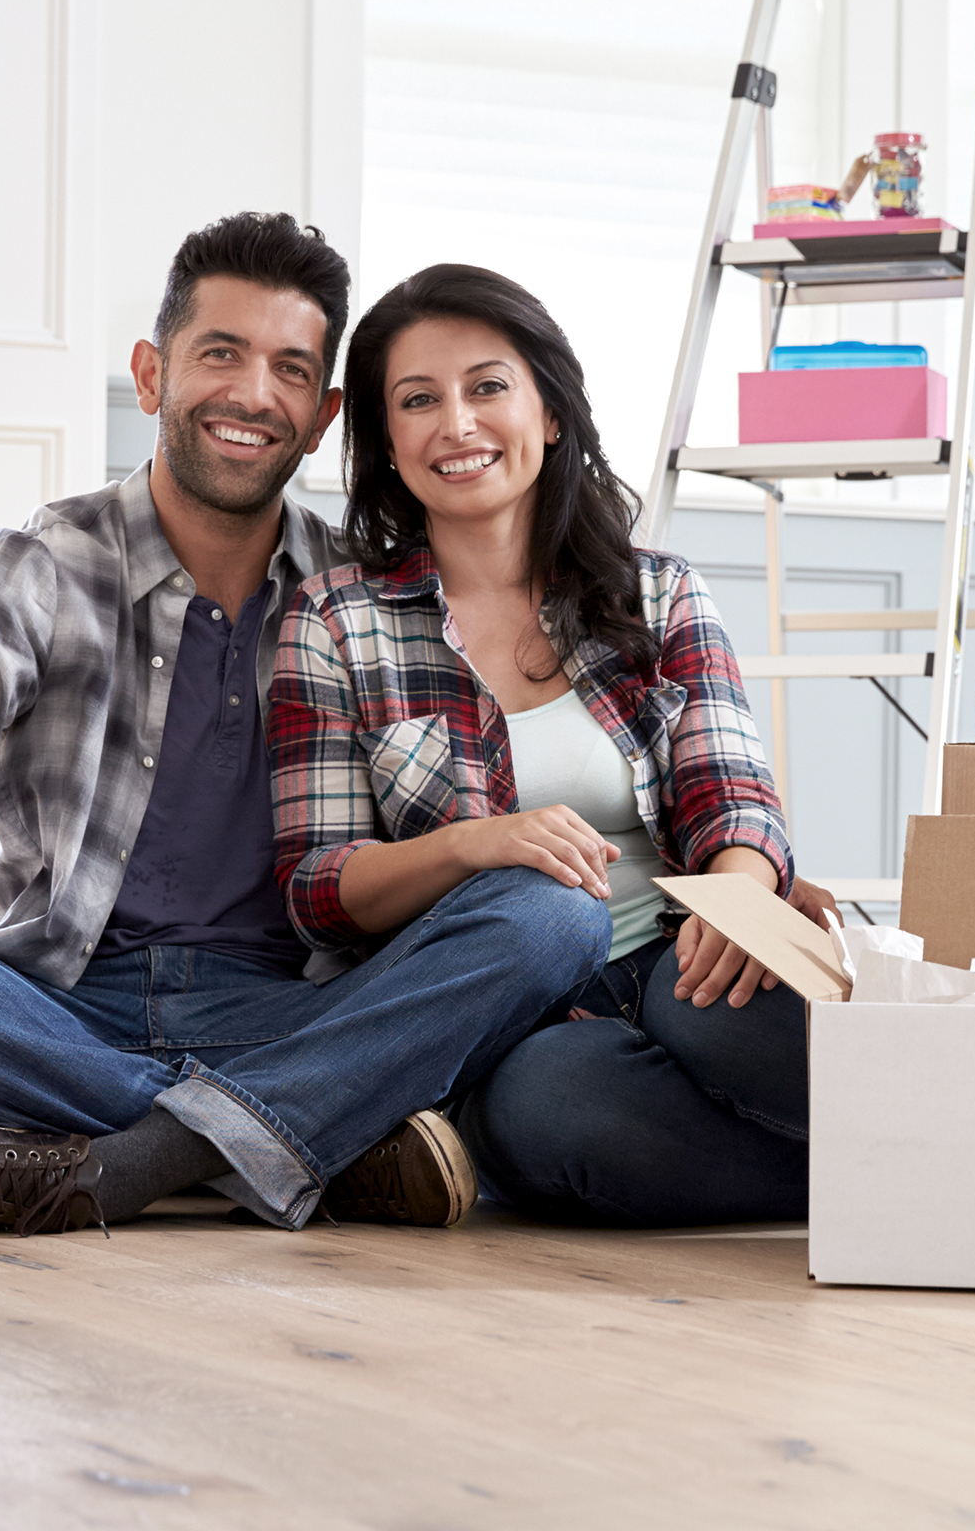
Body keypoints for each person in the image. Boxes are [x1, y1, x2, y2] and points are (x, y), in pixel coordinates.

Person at [0, 215, 609, 1240]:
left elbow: (459, 859)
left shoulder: (367, 600)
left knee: (553, 914)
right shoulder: (44, 565)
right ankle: (312, 1141)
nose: (254, 393)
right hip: (62, 1006)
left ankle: (113, 1162)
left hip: (300, 1010)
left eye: (290, 370)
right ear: (152, 373)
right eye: (221, 354)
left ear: (322, 413)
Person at [268, 262, 826, 1228]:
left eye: (489, 386)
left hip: (679, 951)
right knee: (559, 1115)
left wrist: (738, 899)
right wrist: (472, 844)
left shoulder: (660, 593)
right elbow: (320, 891)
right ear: (385, 443)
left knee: (746, 1020)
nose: (458, 424)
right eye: (417, 401)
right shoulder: (335, 622)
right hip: (507, 1018)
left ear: (551, 413)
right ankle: (899, 1180)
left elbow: (732, 794)